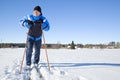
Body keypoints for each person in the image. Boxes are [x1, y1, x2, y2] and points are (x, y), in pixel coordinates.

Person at [20, 6, 50, 70]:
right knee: (29, 50)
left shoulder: (43, 18)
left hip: (38, 37)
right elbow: (21, 21)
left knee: (37, 51)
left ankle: (36, 63)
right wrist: (26, 23)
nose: (35, 12)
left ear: (40, 12)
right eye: (34, 11)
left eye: (37, 11)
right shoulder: (29, 16)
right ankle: (28, 64)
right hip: (30, 36)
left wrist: (43, 25)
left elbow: (48, 28)